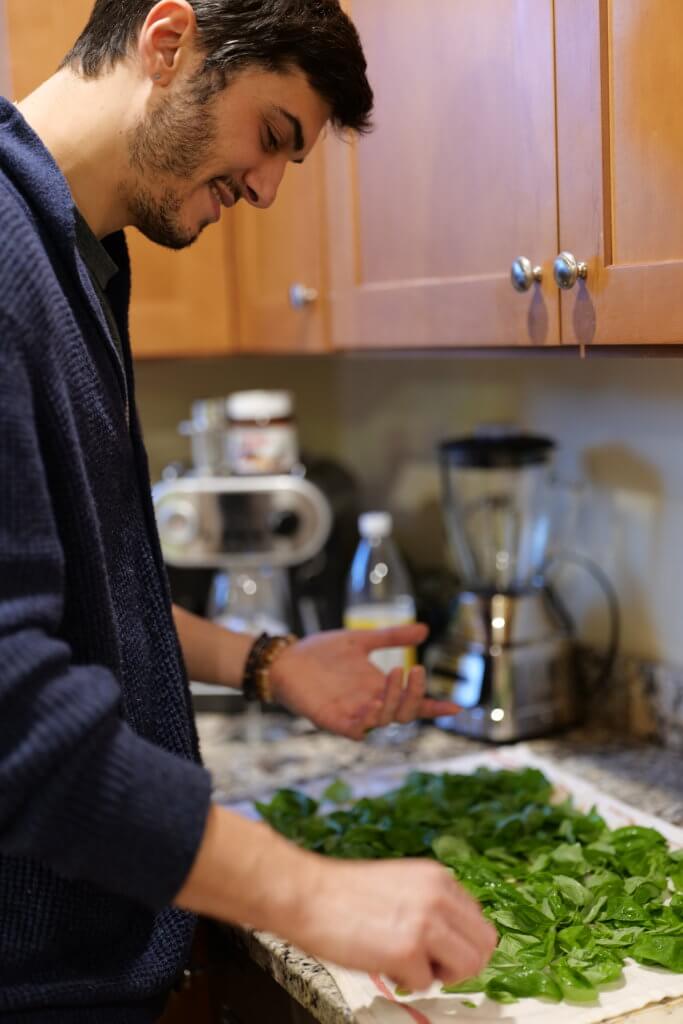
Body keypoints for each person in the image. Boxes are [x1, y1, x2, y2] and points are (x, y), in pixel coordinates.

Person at [0, 0, 497, 1019]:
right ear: (168, 39)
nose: (268, 190)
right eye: (270, 137)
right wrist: (311, 890)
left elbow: (81, 588)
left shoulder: (79, 253)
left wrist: (264, 662)